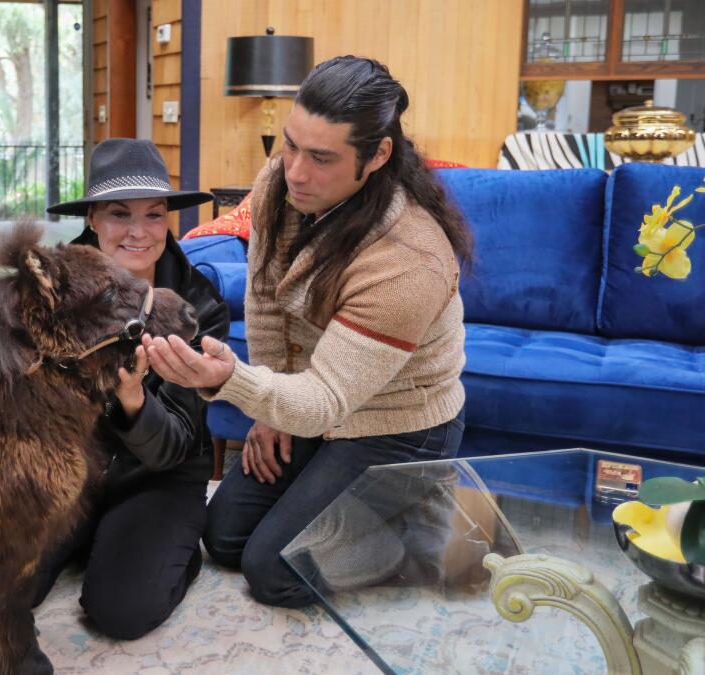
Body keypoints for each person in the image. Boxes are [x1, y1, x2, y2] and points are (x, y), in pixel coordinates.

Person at [143, 56, 473, 608]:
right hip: (319, 399)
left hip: (396, 424)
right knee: (223, 538)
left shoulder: (409, 257)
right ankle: (346, 498)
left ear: (378, 155)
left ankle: (418, 531)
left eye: (321, 157)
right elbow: (268, 300)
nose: (295, 171)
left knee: (273, 571)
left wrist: (237, 382)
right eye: (291, 145)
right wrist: (270, 408)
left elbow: (324, 401)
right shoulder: (281, 185)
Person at [0, 138, 230, 639]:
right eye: (119, 214)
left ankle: (169, 546)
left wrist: (133, 401)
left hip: (158, 475)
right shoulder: (54, 289)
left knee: (121, 612)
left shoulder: (198, 303)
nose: (138, 231)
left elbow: (173, 447)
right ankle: (88, 535)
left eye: (154, 215)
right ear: (92, 218)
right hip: (72, 471)